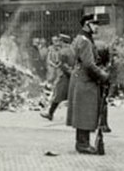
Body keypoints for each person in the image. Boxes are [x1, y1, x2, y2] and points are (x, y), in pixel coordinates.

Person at [66, 14, 109, 155]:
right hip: (86, 80)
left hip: (81, 78)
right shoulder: (85, 41)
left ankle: (82, 142)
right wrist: (103, 76)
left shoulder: (81, 38)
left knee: (83, 112)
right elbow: (89, 64)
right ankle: (83, 144)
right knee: (85, 112)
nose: (97, 27)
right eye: (94, 24)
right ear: (86, 24)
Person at [41, 34, 75, 121]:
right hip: (74, 75)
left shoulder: (63, 51)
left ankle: (50, 113)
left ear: (62, 41)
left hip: (65, 76)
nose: (59, 43)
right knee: (73, 97)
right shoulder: (74, 50)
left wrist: (69, 73)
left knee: (58, 95)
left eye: (60, 41)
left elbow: (63, 65)